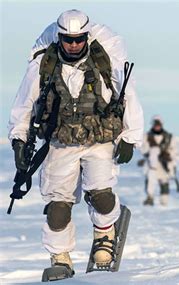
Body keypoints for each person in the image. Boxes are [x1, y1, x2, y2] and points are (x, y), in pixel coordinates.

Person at [8, 10, 143, 277]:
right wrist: (19, 141)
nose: (73, 44)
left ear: (86, 36)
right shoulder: (42, 67)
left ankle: (105, 235)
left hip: (99, 140)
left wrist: (131, 137)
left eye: (78, 39)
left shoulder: (105, 62)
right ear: (59, 37)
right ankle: (60, 257)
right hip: (59, 143)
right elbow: (23, 105)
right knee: (58, 208)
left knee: (102, 197)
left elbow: (128, 95)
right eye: (68, 39)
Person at [138, 115, 179, 206]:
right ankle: (150, 199)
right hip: (151, 165)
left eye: (158, 124)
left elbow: (175, 151)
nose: (157, 126)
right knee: (150, 182)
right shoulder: (146, 136)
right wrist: (151, 152)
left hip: (165, 165)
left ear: (161, 124)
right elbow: (143, 149)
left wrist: (170, 158)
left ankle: (164, 204)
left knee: (164, 183)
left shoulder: (169, 137)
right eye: (155, 124)